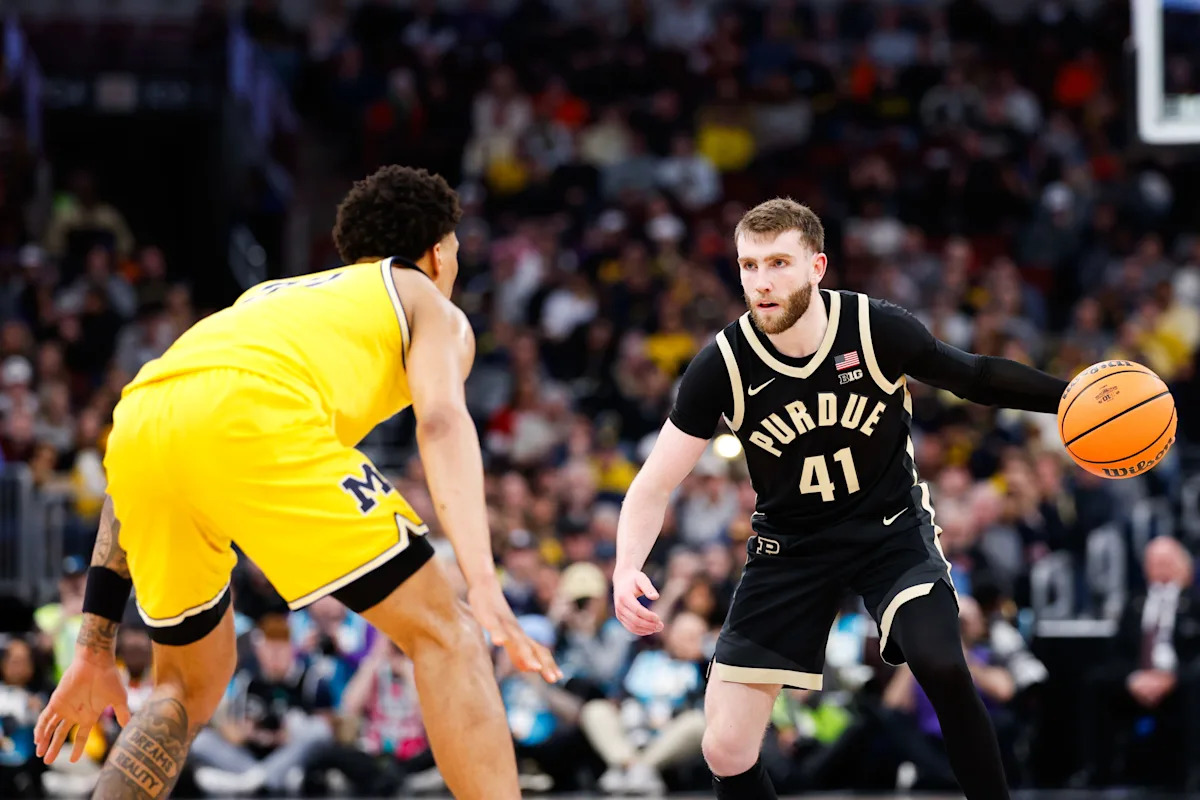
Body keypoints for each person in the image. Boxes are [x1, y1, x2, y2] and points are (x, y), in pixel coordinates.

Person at [33, 165, 560, 800]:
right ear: (439, 252)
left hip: (142, 416)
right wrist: (482, 581)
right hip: (256, 415)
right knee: (449, 633)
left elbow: (148, 458)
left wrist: (94, 646)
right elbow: (443, 421)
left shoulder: (271, 298)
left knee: (186, 684)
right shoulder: (424, 297)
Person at [613, 198, 1083, 800]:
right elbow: (653, 483)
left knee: (940, 662)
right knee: (724, 747)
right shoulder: (722, 365)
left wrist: (1070, 396)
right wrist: (626, 566)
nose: (761, 281)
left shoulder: (874, 327)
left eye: (778, 263)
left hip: (889, 530)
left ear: (817, 266)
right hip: (791, 548)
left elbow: (976, 377)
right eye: (749, 265)